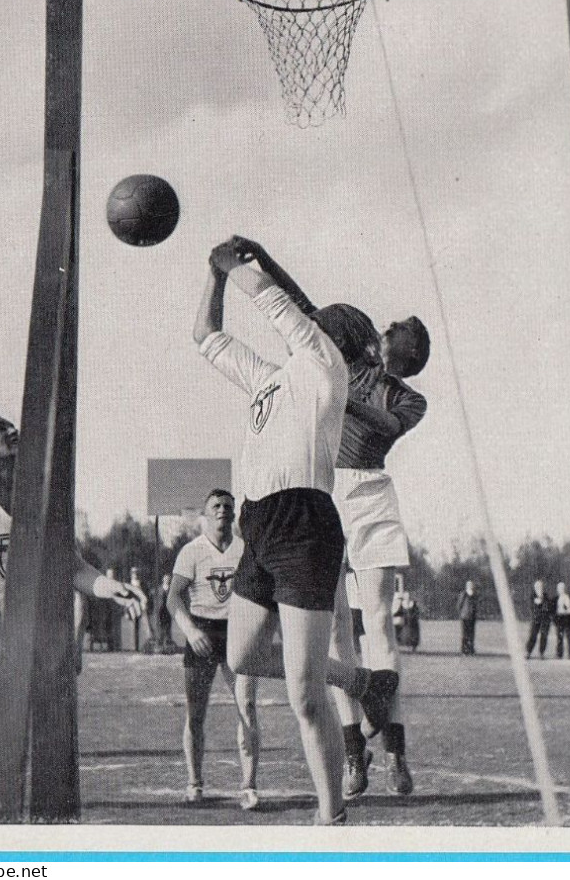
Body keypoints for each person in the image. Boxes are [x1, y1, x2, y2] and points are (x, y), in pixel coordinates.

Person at [194, 239, 397, 826]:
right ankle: (364, 681)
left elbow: (278, 305)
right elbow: (205, 337)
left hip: (306, 524)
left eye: (315, 324)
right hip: (258, 522)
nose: (304, 325)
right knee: (243, 655)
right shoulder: (272, 376)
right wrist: (213, 276)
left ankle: (331, 817)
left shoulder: (325, 365)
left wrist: (236, 266)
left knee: (305, 696)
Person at [226, 236, 429, 800]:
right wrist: (262, 258)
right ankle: (355, 752)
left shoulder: (408, 398)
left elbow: (386, 426)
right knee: (336, 632)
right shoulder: (334, 353)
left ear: (407, 350)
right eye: (385, 325)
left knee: (380, 622)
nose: (387, 326)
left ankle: (395, 753)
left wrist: (336, 380)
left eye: (398, 327)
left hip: (372, 498)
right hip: (325, 492)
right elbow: (301, 305)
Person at [0, 409, 139, 824]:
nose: (14, 430)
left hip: (5, 631)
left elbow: (73, 567)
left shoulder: (39, 504)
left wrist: (110, 587)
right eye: (0, 430)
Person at [168, 489, 259, 809]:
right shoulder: (191, 551)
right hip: (203, 633)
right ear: (205, 515)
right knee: (196, 713)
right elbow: (173, 597)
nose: (223, 510)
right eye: (216, 506)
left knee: (246, 709)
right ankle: (195, 783)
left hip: (238, 633)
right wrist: (190, 631)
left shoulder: (246, 550)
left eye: (228, 507)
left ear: (234, 514)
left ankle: (248, 785)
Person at [525, 579, 553, 659]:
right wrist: (540, 604)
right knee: (533, 635)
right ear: (535, 587)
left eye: (541, 586)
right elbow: (532, 607)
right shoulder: (532, 596)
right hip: (536, 619)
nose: (539, 587)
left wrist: (542, 602)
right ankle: (528, 652)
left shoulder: (546, 596)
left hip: (545, 620)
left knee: (544, 636)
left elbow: (547, 607)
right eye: (537, 586)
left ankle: (542, 653)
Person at [553, 581, 570, 659]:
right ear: (557, 589)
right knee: (559, 638)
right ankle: (559, 654)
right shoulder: (555, 599)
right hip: (559, 619)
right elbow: (552, 610)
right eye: (560, 588)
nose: (561, 590)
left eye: (563, 588)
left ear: (565, 589)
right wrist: (555, 619)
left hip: (568, 619)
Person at [457, 580, 478, 655]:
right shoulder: (464, 594)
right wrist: (461, 613)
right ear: (467, 586)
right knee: (465, 634)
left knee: (471, 634)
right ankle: (464, 650)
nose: (471, 586)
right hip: (465, 617)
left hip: (472, 617)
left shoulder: (475, 594)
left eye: (472, 585)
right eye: (470, 585)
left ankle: (471, 649)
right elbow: (459, 605)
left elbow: (476, 605)